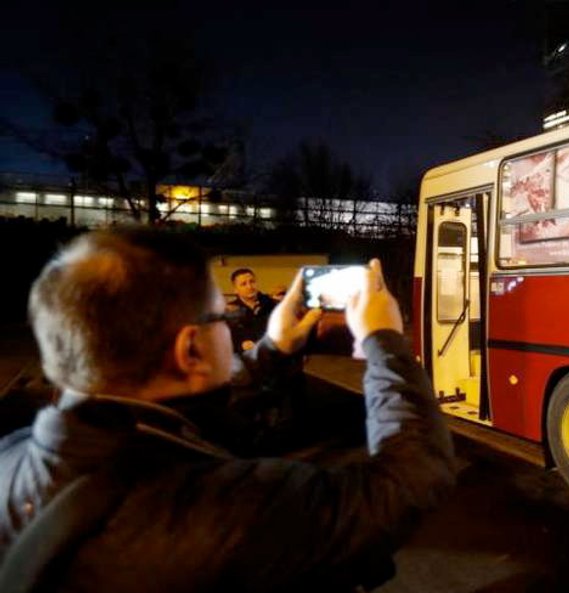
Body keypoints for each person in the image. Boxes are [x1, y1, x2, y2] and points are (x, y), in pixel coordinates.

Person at [0, 229, 455, 592]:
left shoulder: (14, 457)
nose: (231, 326)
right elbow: (407, 481)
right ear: (189, 349)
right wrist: (385, 342)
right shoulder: (237, 509)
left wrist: (272, 351)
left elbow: (169, 421)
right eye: (222, 317)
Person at [227, 267, 277, 353]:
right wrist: (241, 346)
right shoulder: (229, 311)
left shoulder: (274, 306)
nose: (249, 287)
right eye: (243, 284)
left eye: (252, 282)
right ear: (235, 290)